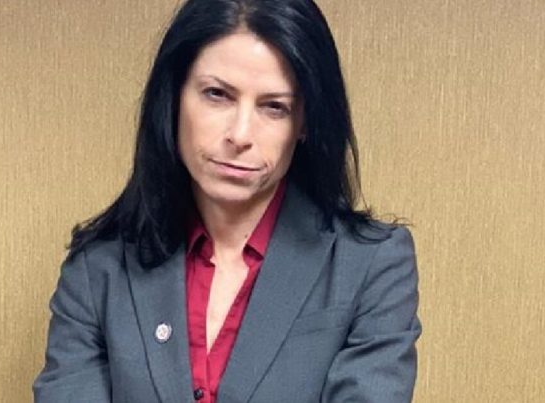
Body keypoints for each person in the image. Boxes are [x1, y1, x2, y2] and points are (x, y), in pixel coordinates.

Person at [33, 0, 421, 401]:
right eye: (217, 94)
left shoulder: (371, 264)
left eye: (274, 107)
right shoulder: (98, 268)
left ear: (304, 122)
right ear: (174, 98)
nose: (240, 134)